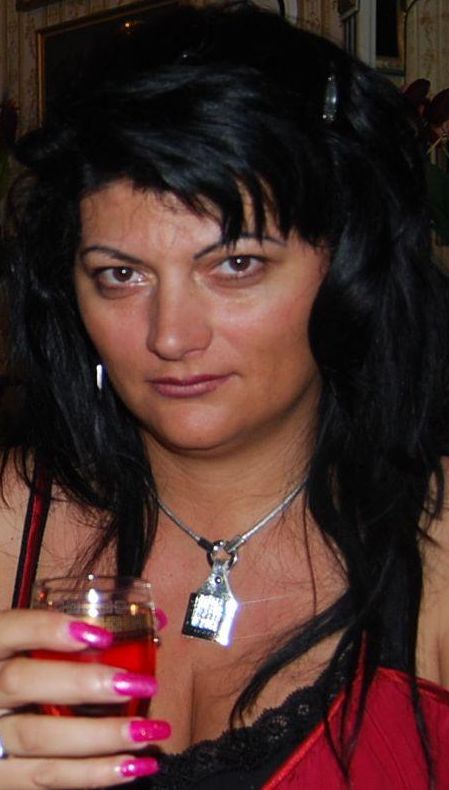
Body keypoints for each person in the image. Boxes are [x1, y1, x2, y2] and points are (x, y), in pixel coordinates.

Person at [0, 2, 448, 788]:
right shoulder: (13, 518)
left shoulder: (435, 553)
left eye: (235, 265)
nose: (171, 336)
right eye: (120, 274)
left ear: (344, 272)